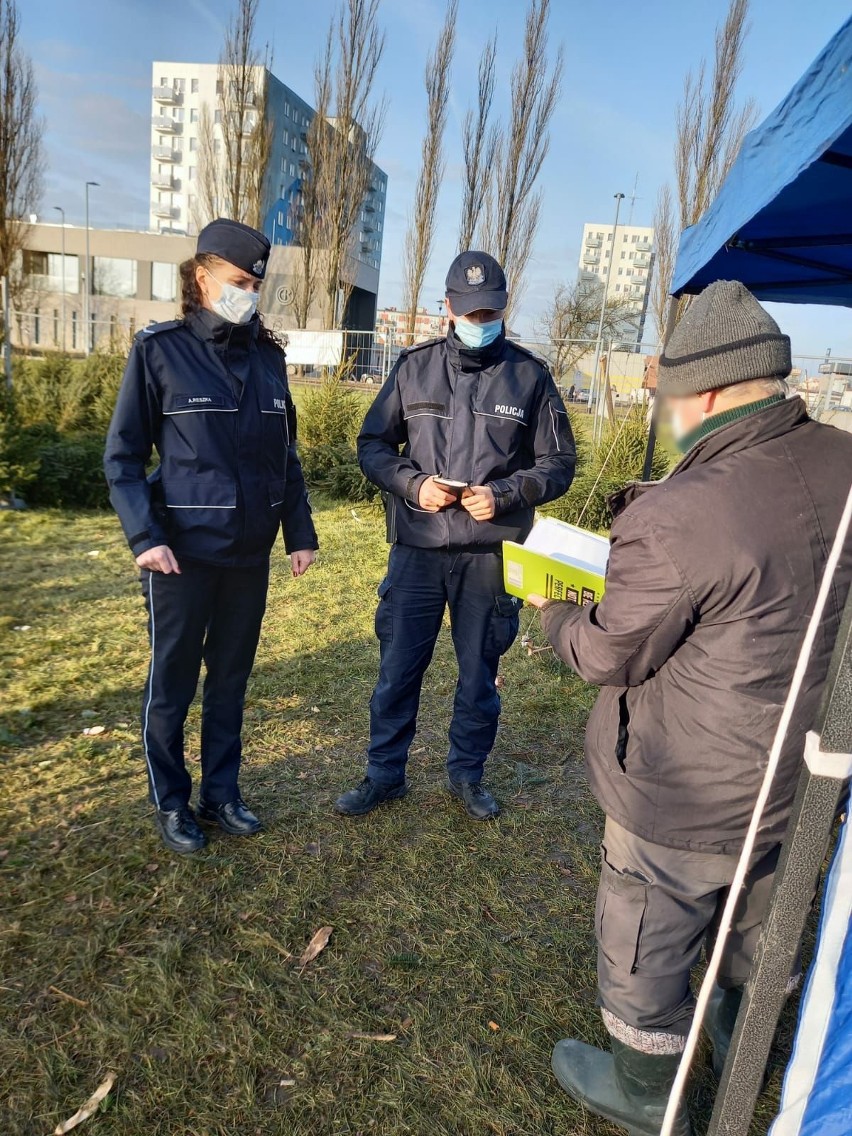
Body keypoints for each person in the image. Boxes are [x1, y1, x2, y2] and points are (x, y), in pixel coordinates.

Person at [528, 281, 852, 1136]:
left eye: (667, 392)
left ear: (704, 392)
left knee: (649, 932)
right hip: (804, 778)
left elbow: (608, 652)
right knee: (766, 919)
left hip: (687, 787)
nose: (662, 409)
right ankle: (740, 1043)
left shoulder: (681, 511)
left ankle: (645, 1090)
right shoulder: (844, 461)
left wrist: (555, 612)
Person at [335, 251, 576, 821]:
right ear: (447, 306)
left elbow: (559, 463)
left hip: (489, 557)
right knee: (397, 669)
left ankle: (467, 773)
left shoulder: (530, 376)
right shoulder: (413, 368)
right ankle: (384, 773)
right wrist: (412, 484)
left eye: (490, 310)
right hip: (417, 551)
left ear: (504, 307)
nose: (479, 319)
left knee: (479, 674)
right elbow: (372, 446)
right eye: (469, 311)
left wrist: (508, 494)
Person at [104, 218, 318, 855]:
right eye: (237, 281)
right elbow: (121, 458)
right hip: (180, 556)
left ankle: (221, 794)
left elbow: (287, 457)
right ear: (202, 277)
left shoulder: (269, 358)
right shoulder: (160, 351)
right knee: (172, 684)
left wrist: (297, 532)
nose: (248, 293)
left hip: (247, 556)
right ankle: (171, 802)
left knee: (229, 680)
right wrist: (145, 536)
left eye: (255, 284)